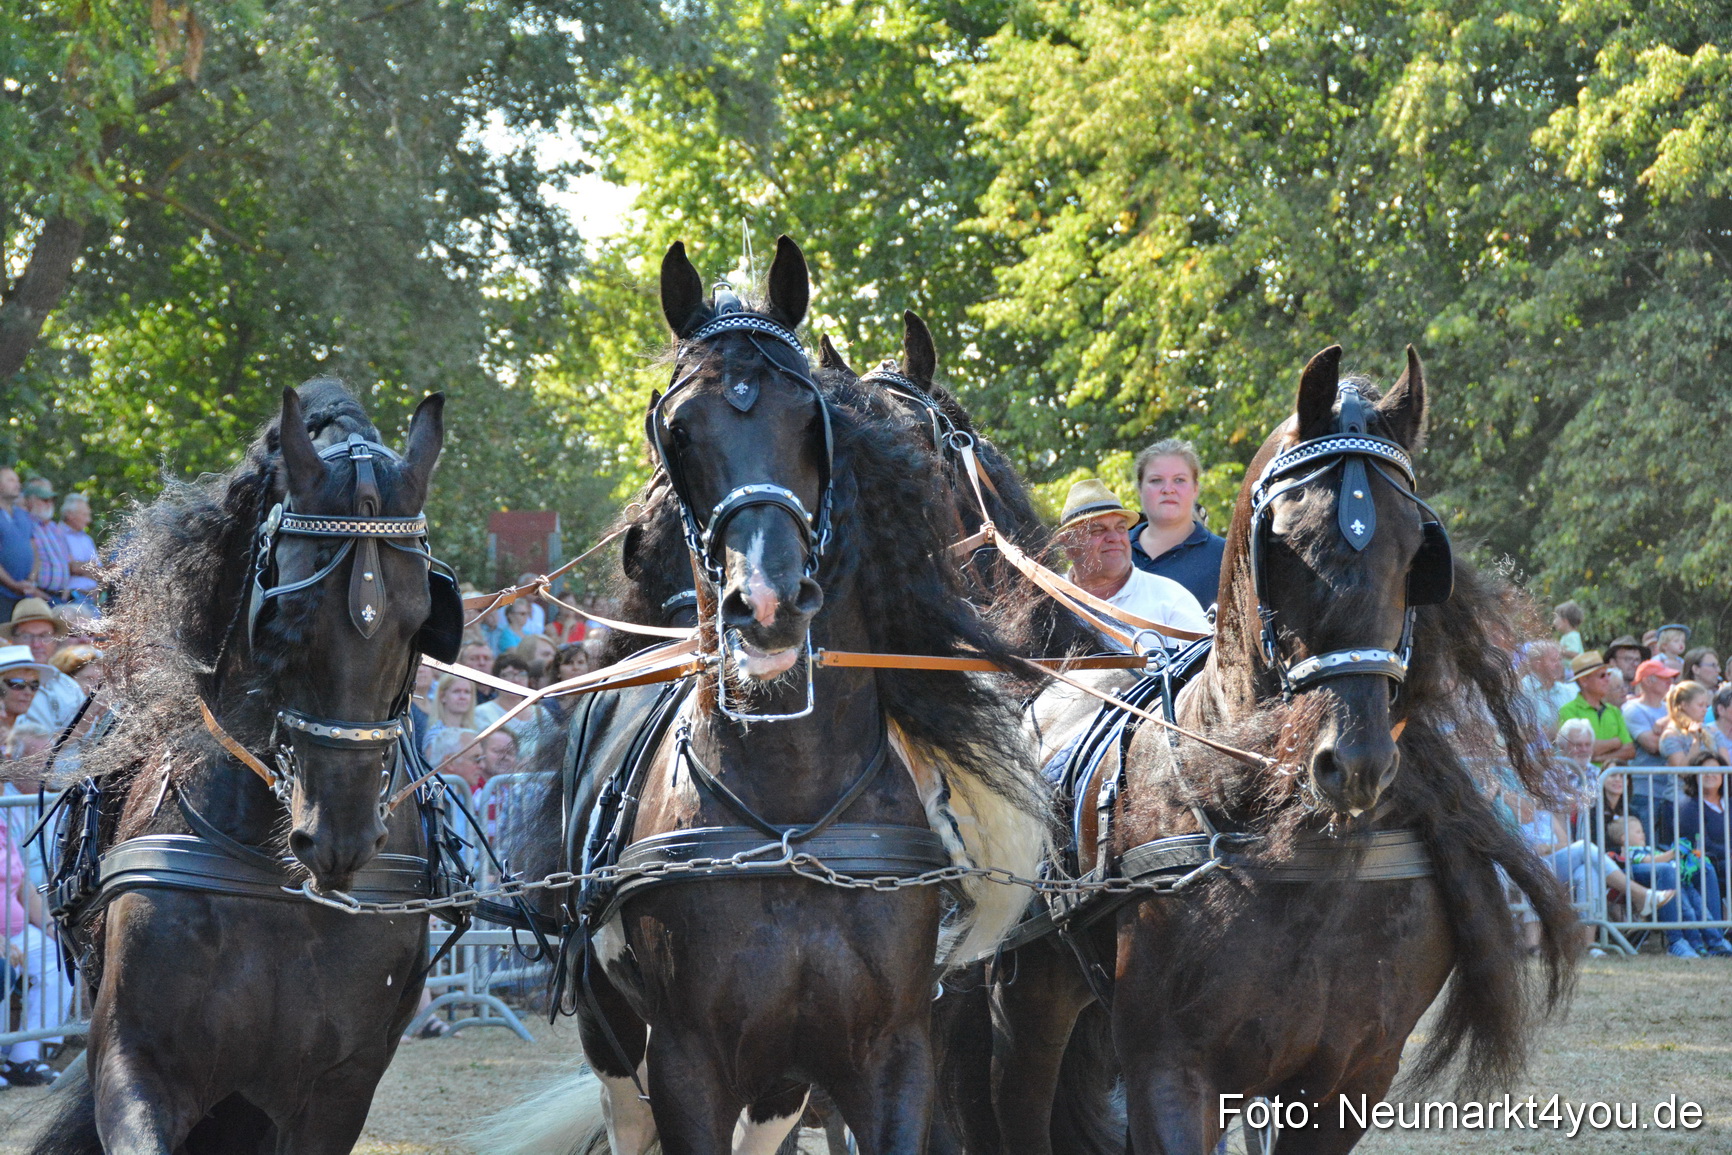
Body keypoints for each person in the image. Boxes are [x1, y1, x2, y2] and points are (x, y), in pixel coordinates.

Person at [1056, 479, 1210, 653]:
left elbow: (1204, 672)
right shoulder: (1050, 600)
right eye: (1098, 530)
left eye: (1121, 528)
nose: (1114, 537)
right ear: (1068, 546)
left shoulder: (1171, 599)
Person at [1, 820, 70, 1085]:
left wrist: (53, 928)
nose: (4, 789)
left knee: (60, 958)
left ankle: (22, 1058)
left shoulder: (3, 824)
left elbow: (24, 888)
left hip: (16, 932)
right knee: (2, 970)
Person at [1607, 814, 1731, 957]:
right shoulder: (1630, 852)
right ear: (1624, 838)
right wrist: (1674, 852)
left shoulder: (1648, 848)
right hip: (1663, 886)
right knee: (1689, 912)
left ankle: (1716, 941)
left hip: (1682, 883)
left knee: (1701, 909)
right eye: (1638, 832)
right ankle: (1693, 944)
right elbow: (1652, 861)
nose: (1643, 834)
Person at [1126, 439, 1228, 610]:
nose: (1168, 489)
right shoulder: (1114, 552)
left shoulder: (1225, 557)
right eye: (1156, 480)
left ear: (1195, 488)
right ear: (1140, 489)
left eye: (1179, 480)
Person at [2, 599, 81, 731]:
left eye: (44, 636)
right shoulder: (4, 683)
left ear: (55, 640)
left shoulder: (69, 686)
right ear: (12, 641)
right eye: (27, 636)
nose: (36, 644)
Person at [1557, 651, 1635, 770]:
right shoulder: (1568, 711)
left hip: (1613, 784)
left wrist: (1599, 758)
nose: (1608, 679)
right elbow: (1579, 748)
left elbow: (1630, 751)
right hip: (1583, 783)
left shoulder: (1614, 711)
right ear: (1583, 681)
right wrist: (1616, 742)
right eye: (1602, 676)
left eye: (1608, 675)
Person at [21, 478, 72, 605]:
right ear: (29, 499)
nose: (49, 503)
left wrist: (66, 588)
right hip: (36, 597)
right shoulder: (24, 525)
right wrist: (36, 592)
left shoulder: (54, 528)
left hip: (60, 599)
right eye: (44, 499)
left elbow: (66, 562)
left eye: (52, 499)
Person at [0, 467, 42, 621]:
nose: (17, 484)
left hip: (25, 593)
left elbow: (35, 550)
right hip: (3, 594)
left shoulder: (23, 515)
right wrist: (12, 584)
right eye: (10, 480)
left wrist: (31, 580)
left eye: (18, 481)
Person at [1519, 641, 1577, 739]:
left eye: (1560, 660)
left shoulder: (1568, 691)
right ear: (1537, 664)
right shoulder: (1523, 690)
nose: (1559, 665)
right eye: (1553, 660)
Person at [56, 493, 100, 609]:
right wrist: (88, 568)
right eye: (84, 515)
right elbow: (71, 567)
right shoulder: (57, 535)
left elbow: (100, 572)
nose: (88, 520)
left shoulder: (87, 539)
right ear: (70, 515)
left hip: (91, 599)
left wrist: (79, 567)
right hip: (71, 599)